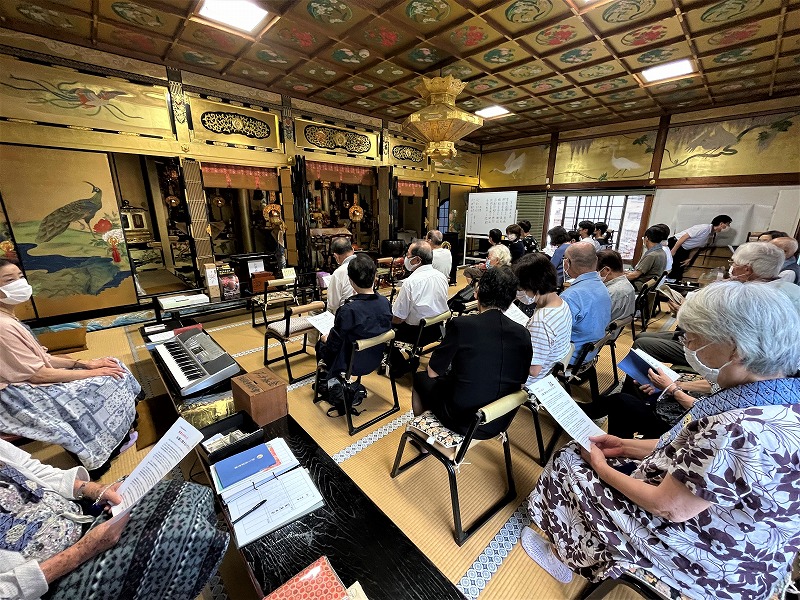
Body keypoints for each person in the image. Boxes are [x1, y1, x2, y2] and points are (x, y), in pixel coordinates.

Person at [522, 281, 800, 599]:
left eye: (694, 338)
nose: (688, 346)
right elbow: (686, 451)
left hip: (711, 556)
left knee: (570, 461)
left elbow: (669, 508)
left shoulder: (738, 429)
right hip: (753, 545)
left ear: (735, 348)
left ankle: (564, 555)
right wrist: (624, 445)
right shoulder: (780, 398)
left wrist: (601, 468)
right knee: (595, 448)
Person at [0, 438, 229, 600]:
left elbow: (31, 468)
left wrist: (94, 489)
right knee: (181, 531)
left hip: (78, 515)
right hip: (54, 578)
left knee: (183, 492)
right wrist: (82, 551)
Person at [0, 259, 139, 474]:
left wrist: (84, 363)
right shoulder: (3, 326)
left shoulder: (8, 317)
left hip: (32, 378)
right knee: (104, 380)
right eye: (9, 280)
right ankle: (104, 449)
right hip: (19, 395)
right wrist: (91, 372)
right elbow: (38, 375)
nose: (19, 283)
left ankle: (124, 426)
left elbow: (42, 359)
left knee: (112, 364)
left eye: (20, 276)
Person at [411, 267, 532, 437]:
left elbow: (433, 372)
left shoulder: (462, 325)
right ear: (512, 300)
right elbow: (521, 381)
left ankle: (424, 435)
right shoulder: (523, 333)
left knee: (420, 379)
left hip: (464, 419)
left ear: (477, 293)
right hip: (500, 418)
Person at [634, 241, 798, 366]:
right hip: (744, 353)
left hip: (732, 358)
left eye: (734, 264)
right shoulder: (790, 289)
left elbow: (719, 333)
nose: (731, 268)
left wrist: (685, 314)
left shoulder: (752, 297)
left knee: (643, 344)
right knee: (643, 336)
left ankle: (643, 395)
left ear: (747, 270)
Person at [316, 255, 392, 415]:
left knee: (321, 344)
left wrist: (325, 338)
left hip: (350, 364)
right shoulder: (385, 302)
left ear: (350, 281)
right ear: (375, 276)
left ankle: (333, 385)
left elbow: (333, 346)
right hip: (375, 358)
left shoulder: (348, 310)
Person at [514, 254, 572, 387]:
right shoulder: (561, 304)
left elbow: (533, 371)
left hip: (530, 383)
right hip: (549, 371)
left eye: (522, 289)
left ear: (534, 286)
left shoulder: (541, 321)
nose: (520, 293)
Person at [560, 243, 611, 364]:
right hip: (589, 352)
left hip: (570, 357)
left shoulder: (570, 296)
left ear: (567, 262)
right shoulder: (602, 287)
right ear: (596, 260)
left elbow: (554, 335)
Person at [392, 241, 449, 344]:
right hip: (437, 329)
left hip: (414, 335)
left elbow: (398, 318)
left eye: (408, 254)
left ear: (417, 260)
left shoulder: (410, 283)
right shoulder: (441, 277)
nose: (406, 258)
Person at [670, 214, 732, 280]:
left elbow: (697, 247)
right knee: (672, 266)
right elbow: (684, 237)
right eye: (727, 224)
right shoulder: (704, 228)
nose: (728, 227)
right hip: (675, 243)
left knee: (678, 270)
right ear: (721, 224)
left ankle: (673, 281)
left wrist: (689, 258)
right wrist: (673, 250)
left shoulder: (711, 235)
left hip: (685, 249)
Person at [597, 249, 635, 322]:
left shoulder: (610, 293)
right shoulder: (627, 285)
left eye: (596, 271)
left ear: (607, 270)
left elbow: (594, 320)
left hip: (603, 328)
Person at [326, 237, 356, 314]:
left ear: (336, 256)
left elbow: (333, 305)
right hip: (365, 309)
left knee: (314, 310)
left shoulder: (339, 272)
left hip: (345, 314)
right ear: (353, 249)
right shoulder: (365, 264)